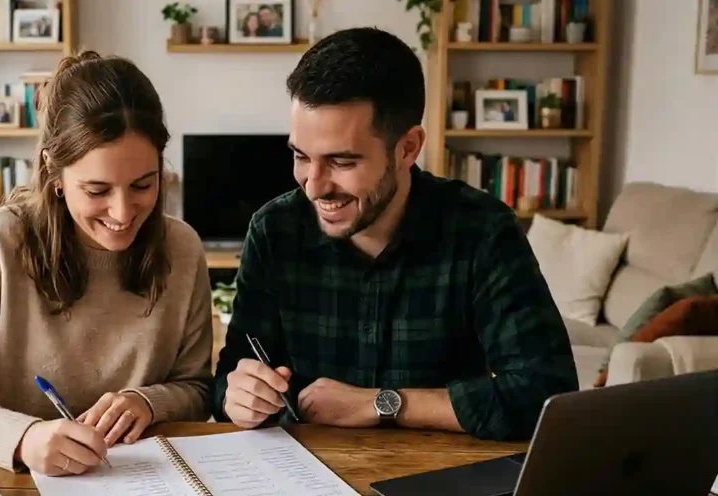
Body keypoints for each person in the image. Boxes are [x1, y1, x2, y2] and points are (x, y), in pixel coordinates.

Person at [211, 27, 577, 441]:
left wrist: (383, 403)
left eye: (342, 161)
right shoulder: (273, 230)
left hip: (438, 482)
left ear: (407, 148)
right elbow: (230, 376)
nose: (313, 185)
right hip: (303, 477)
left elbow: (548, 395)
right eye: (300, 156)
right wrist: (237, 394)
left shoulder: (483, 231)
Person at [0, 51, 214, 476]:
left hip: (144, 481)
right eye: (97, 190)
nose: (122, 213)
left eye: (143, 184)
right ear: (54, 171)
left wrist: (149, 402)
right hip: (23, 485)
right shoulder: (0, 241)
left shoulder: (182, 248)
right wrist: (22, 438)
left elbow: (196, 387)